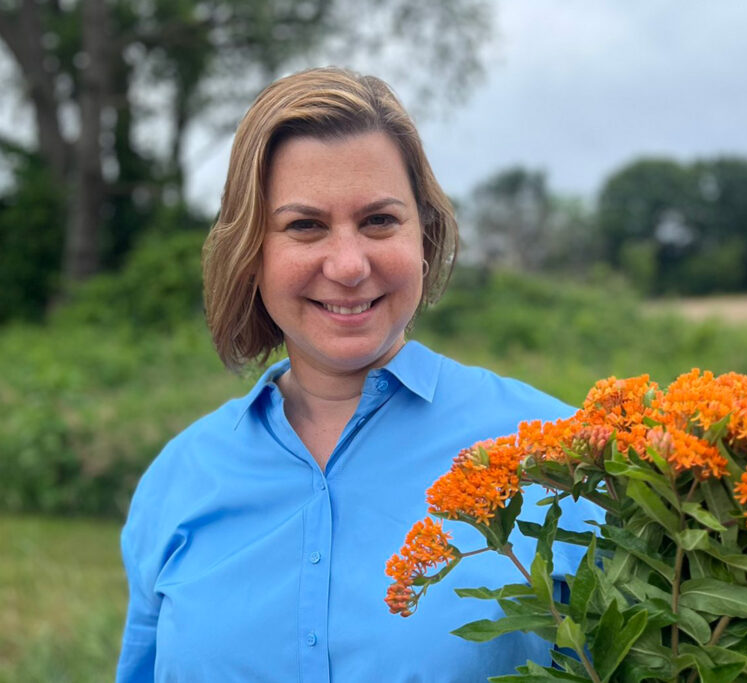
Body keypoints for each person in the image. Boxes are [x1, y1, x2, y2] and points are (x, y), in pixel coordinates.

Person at [116, 67, 600, 682]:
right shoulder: (178, 481)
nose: (348, 265)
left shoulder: (563, 457)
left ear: (423, 235)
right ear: (251, 250)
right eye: (304, 226)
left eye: (378, 221)